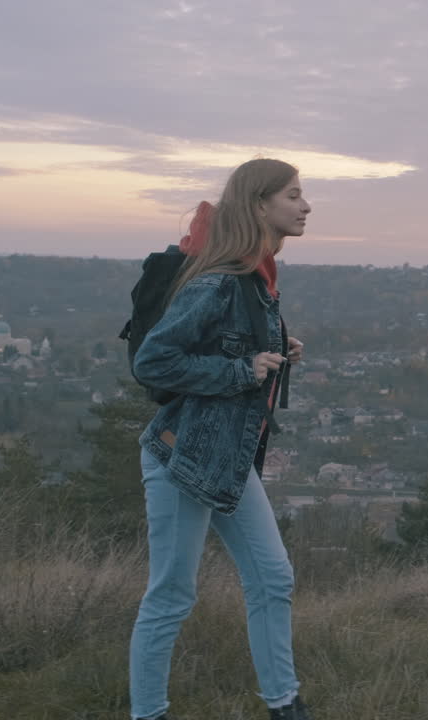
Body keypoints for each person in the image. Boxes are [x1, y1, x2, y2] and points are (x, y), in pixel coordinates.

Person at [129, 158, 312, 720]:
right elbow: (153, 360)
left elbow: (229, 347)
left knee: (273, 578)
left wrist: (275, 346)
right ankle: (148, 713)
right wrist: (242, 371)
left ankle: (284, 705)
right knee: (172, 594)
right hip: (182, 456)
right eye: (293, 195)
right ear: (260, 205)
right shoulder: (220, 280)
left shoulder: (256, 278)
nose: (305, 206)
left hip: (228, 458)